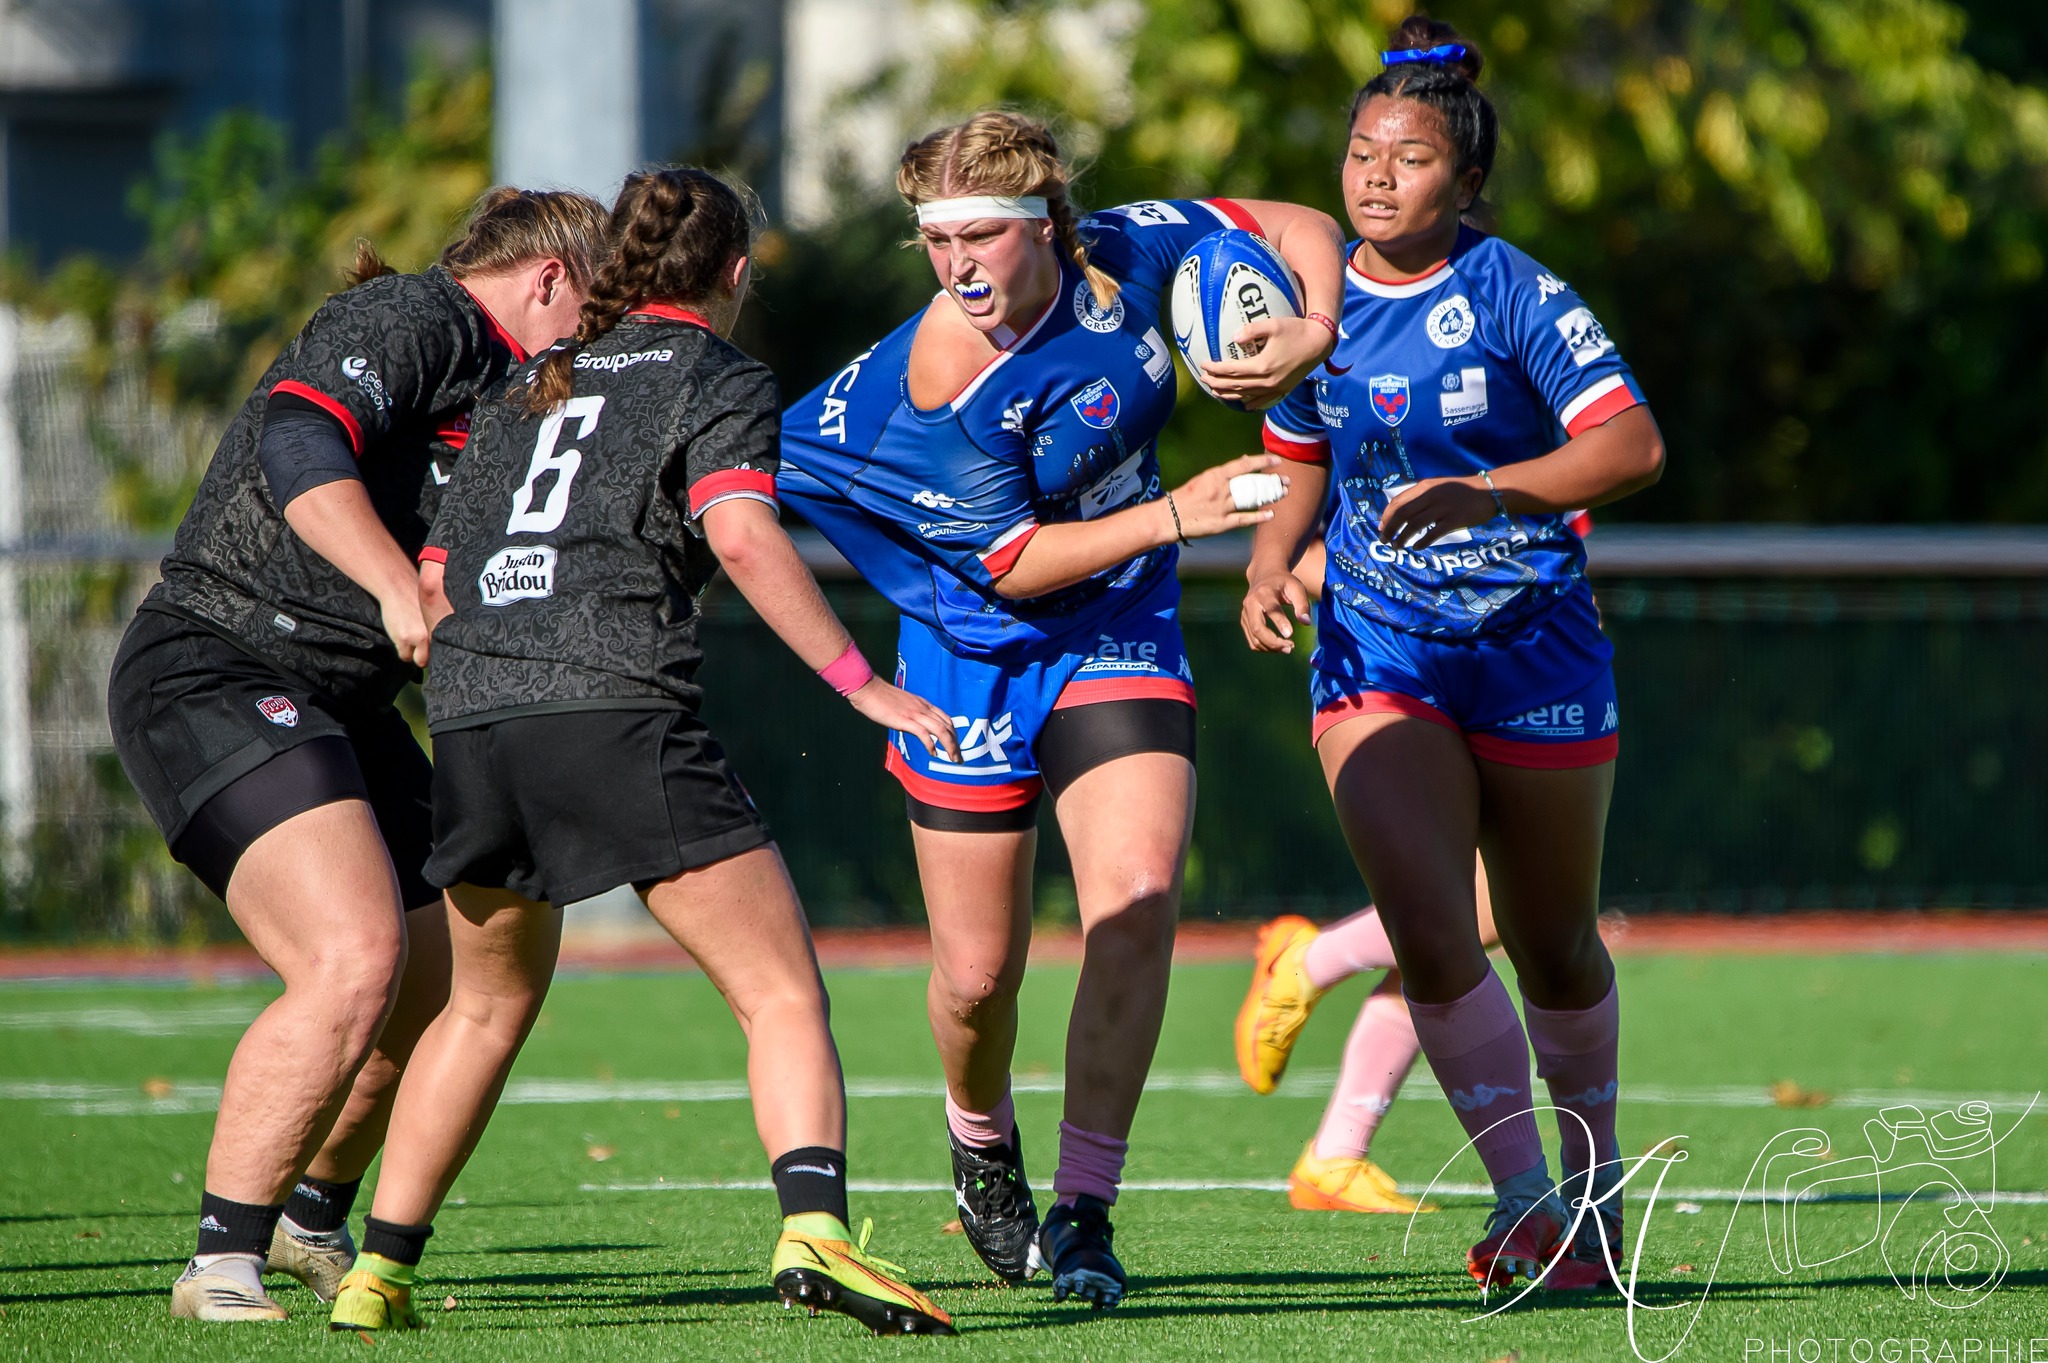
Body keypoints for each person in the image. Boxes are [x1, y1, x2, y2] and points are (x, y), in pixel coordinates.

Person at [325, 168, 959, 1337]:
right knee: (777, 991)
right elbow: (741, 530)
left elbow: (433, 574)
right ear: (733, 272)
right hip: (611, 708)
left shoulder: (527, 378)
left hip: (473, 715)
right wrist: (865, 686)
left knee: (480, 1008)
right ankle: (814, 1228)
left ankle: (377, 1274)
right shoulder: (715, 374)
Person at [777, 111, 1346, 1308]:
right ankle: (978, 1138)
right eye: (936, 243)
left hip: (1115, 628)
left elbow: (1300, 225)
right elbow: (1010, 562)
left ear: (1046, 225)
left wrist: (1309, 330)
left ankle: (1085, 1213)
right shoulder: (944, 380)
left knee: (1134, 902)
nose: (958, 265)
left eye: (982, 234)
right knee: (978, 978)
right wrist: (1181, 515)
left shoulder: (1130, 253)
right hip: (967, 647)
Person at [106, 188, 609, 1322]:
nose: (595, 334)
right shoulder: (413, 316)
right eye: (593, 304)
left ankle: (308, 1222)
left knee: (436, 982)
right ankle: (218, 1264)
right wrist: (393, 585)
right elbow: (299, 440)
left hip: (343, 699)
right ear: (545, 278)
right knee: (351, 956)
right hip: (218, 664)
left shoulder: (515, 392)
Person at [1239, 15, 1664, 1295]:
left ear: (1463, 182)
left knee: (1552, 946)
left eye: (1407, 158)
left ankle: (1588, 1207)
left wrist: (1492, 493)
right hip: (1376, 652)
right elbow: (1296, 459)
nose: (1372, 177)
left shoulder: (1514, 292)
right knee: (1431, 926)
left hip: (1532, 652)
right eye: (1360, 153)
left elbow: (1630, 447)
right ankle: (1526, 1203)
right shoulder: (1310, 307)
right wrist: (1270, 562)